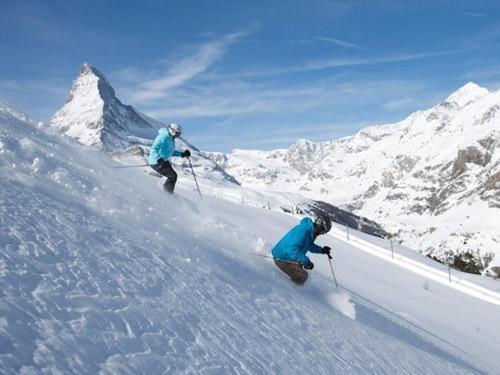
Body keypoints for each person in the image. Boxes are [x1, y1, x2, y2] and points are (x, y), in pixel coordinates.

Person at [271, 214, 332, 284]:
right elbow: (291, 251)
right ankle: (290, 289)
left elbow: (309, 245)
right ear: (320, 227)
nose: (321, 233)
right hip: (281, 258)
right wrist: (306, 262)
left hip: (285, 256)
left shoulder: (309, 231)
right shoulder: (303, 232)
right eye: (323, 231)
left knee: (300, 266)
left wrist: (321, 250)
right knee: (303, 276)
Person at [148, 123, 191, 194]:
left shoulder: (171, 139)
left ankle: (167, 191)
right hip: (156, 161)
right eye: (177, 134)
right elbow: (153, 149)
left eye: (179, 134)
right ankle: (167, 193)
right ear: (172, 131)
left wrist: (182, 154)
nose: (178, 136)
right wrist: (158, 159)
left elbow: (170, 152)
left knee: (173, 176)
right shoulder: (163, 137)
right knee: (172, 176)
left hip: (163, 161)